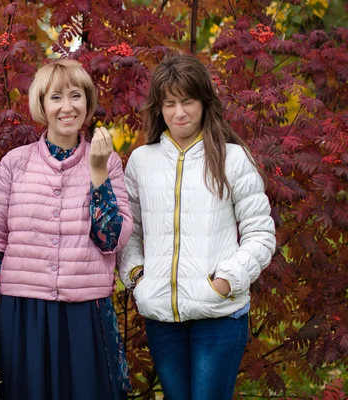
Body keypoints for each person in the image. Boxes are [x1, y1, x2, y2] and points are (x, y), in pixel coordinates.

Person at [0, 59, 133, 400]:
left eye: (76, 95)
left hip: (85, 311)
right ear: (42, 105)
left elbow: (111, 239)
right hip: (22, 313)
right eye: (56, 97)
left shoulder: (108, 162)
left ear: (87, 103)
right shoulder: (14, 164)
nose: (67, 106)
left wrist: (98, 172)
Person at [118, 53, 276, 399]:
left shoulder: (232, 158)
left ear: (204, 102)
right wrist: (138, 279)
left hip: (218, 314)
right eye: (170, 103)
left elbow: (260, 234)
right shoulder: (141, 162)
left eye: (187, 101)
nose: (179, 113)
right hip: (162, 316)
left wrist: (224, 283)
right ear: (159, 107)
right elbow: (131, 233)